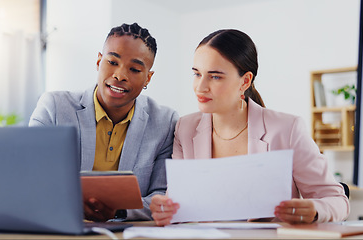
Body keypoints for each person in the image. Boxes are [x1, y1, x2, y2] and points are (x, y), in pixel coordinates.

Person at [150, 29, 350, 226]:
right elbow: (178, 203)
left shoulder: (287, 129)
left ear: (245, 81)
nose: (200, 87)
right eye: (197, 74)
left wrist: (314, 210)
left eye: (215, 76)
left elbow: (336, 200)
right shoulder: (185, 128)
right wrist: (166, 211)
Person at [29, 23, 178, 221]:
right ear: (99, 61)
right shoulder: (54, 107)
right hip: (61, 226)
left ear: (148, 78)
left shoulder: (165, 123)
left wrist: (119, 210)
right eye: (112, 62)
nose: (120, 75)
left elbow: (161, 197)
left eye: (134, 69)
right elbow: (32, 178)